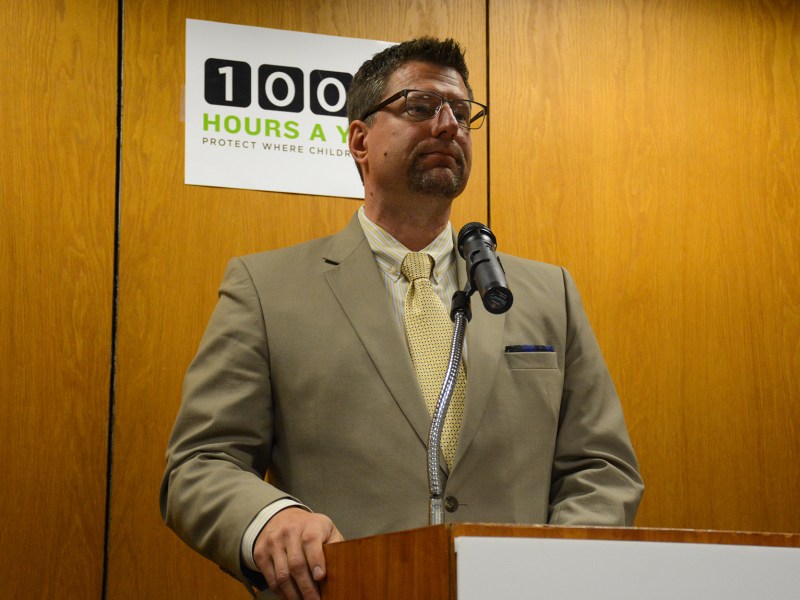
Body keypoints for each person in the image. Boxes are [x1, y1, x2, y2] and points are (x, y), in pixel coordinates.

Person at [160, 37, 644, 600]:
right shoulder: (266, 290)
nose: (447, 126)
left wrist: (554, 569)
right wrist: (269, 519)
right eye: (419, 107)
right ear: (360, 140)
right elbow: (200, 463)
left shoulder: (545, 293)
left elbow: (602, 466)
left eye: (461, 113)